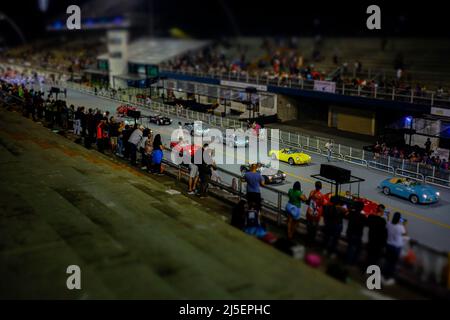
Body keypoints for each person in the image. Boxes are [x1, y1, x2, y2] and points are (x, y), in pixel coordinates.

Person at [383, 212, 407, 285]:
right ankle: (388, 278)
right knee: (393, 263)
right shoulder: (400, 227)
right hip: (396, 246)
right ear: (399, 219)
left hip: (389, 244)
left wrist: (388, 217)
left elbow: (387, 224)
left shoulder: (389, 224)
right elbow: (405, 234)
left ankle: (383, 275)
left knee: (387, 261)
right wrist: (404, 225)